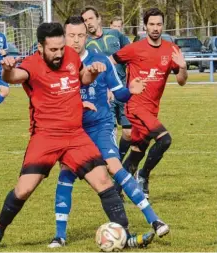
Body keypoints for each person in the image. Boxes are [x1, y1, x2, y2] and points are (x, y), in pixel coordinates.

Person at [0, 22, 154, 251]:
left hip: (75, 136)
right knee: (24, 189)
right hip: (46, 137)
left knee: (104, 182)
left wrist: (91, 72)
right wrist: (7, 68)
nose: (59, 54)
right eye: (53, 50)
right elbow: (14, 76)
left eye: (61, 48)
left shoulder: (69, 55)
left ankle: (124, 236)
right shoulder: (31, 64)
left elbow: (81, 78)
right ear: (40, 47)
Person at [48, 16, 169, 249]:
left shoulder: (101, 60)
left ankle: (153, 219)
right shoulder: (59, 64)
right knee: (65, 174)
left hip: (100, 127)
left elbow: (119, 94)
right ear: (64, 37)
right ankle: (59, 235)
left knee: (115, 167)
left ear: (87, 36)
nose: (75, 40)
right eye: (71, 36)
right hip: (73, 130)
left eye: (80, 35)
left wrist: (131, 91)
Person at [110, 8, 188, 200]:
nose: (155, 28)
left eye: (159, 24)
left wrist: (183, 67)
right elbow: (110, 61)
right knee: (165, 139)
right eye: (151, 24)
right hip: (135, 106)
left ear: (163, 25)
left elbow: (181, 81)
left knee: (137, 151)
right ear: (145, 26)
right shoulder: (135, 48)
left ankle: (115, 191)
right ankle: (143, 175)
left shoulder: (171, 50)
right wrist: (110, 86)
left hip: (152, 110)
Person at [81, 6, 132, 163]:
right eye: (84, 20)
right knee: (110, 130)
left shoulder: (115, 34)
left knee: (129, 132)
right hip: (104, 93)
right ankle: (113, 163)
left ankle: (119, 161)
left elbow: (130, 53)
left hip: (122, 88)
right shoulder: (86, 45)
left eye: (90, 18)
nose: (88, 23)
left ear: (98, 19)